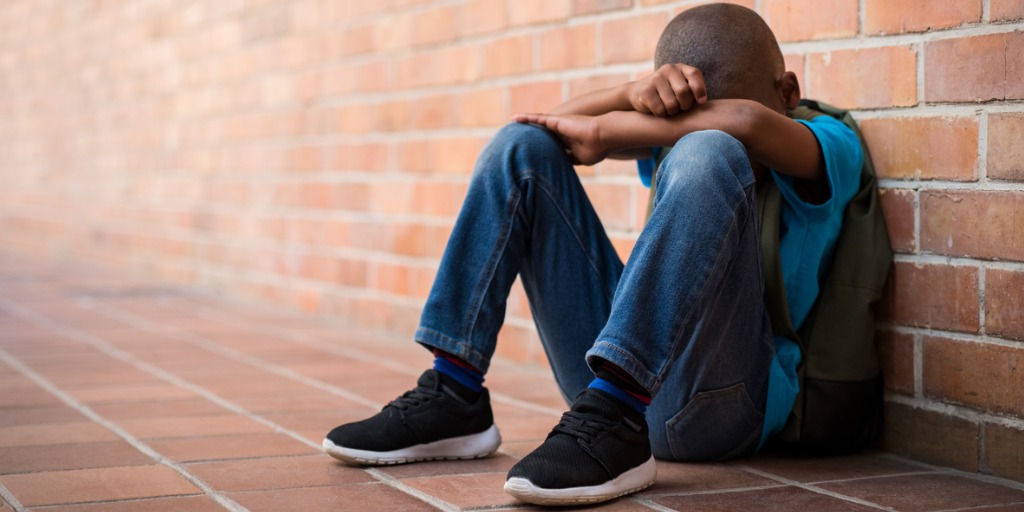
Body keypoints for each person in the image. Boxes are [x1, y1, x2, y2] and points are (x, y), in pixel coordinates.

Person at [322, 3, 863, 506]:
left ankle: (619, 417)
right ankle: (455, 389)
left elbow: (744, 123)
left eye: (693, 119)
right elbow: (548, 125)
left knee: (711, 150)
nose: (683, 132)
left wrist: (608, 130)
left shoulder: (826, 143)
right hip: (605, 393)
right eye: (683, 119)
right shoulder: (675, 135)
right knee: (521, 147)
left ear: (788, 90)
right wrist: (633, 93)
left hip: (724, 407)